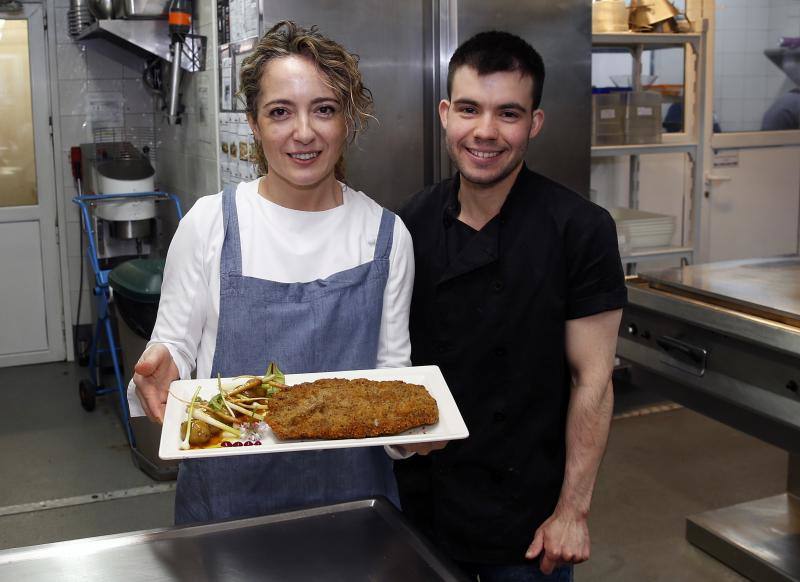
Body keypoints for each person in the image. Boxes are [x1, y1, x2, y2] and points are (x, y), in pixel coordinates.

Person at [131, 21, 414, 525]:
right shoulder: (211, 224)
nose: (303, 133)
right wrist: (164, 360)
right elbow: (173, 346)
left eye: (323, 109)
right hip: (229, 504)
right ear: (255, 124)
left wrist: (413, 438)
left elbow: (389, 385)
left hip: (353, 504)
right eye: (280, 112)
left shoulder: (386, 236)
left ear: (347, 119)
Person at [394, 31, 627, 581]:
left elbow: (593, 380)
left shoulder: (581, 230)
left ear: (535, 124)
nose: (486, 132)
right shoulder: (409, 223)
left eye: (509, 114)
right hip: (423, 506)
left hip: (527, 520)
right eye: (470, 109)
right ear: (446, 114)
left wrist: (573, 512)